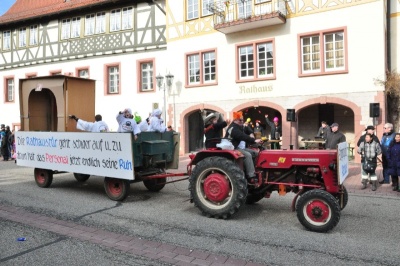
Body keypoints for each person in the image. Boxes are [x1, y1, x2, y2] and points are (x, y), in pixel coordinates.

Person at [225, 111, 262, 183]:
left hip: (236, 147)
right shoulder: (233, 128)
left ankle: (256, 170)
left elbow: (246, 133)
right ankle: (251, 176)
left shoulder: (239, 127)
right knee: (247, 155)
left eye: (242, 120)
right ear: (235, 120)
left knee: (255, 153)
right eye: (240, 120)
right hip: (231, 148)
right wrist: (254, 140)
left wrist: (253, 138)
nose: (242, 121)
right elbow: (242, 136)